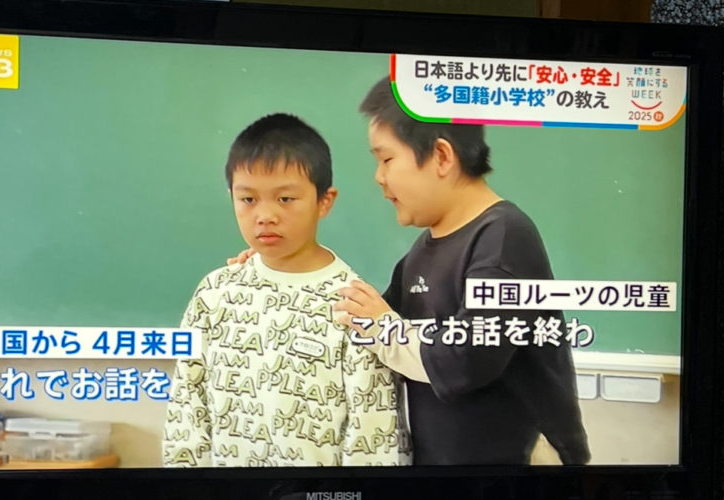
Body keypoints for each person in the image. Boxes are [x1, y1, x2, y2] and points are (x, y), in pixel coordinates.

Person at [332, 77, 590, 465]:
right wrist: (275, 265)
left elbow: (466, 360)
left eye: (386, 160)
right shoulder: (421, 251)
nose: (378, 177)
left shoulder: (503, 237)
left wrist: (384, 327)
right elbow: (364, 321)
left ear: (441, 157)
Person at [163, 113, 411, 467]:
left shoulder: (354, 306)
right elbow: (187, 410)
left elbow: (374, 438)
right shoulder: (215, 293)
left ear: (324, 201)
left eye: (285, 199)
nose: (265, 215)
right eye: (248, 199)